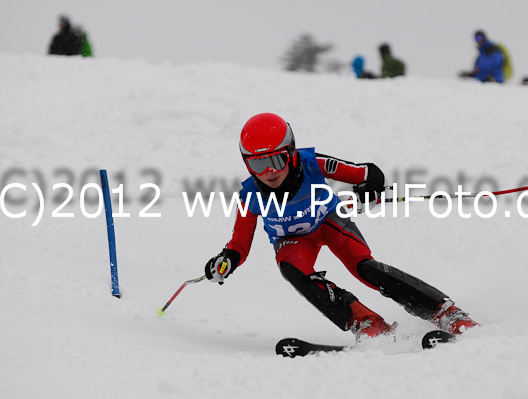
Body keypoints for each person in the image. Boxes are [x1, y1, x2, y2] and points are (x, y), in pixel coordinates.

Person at [204, 113, 478, 341]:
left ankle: (445, 312)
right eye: (257, 164)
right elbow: (240, 243)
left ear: (290, 152)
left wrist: (368, 188)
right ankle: (367, 323)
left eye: (276, 160)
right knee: (292, 269)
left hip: (329, 223)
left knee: (365, 268)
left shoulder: (311, 164)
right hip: (293, 241)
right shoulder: (250, 194)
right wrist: (225, 260)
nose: (269, 172)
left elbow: (368, 172)